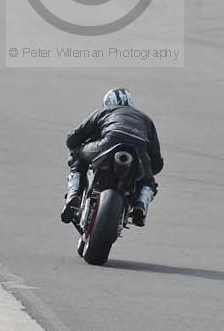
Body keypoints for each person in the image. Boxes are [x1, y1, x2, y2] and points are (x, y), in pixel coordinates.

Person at [60, 88, 163, 227]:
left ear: (107, 102)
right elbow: (156, 162)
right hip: (139, 151)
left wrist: (82, 141)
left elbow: (73, 139)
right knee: (148, 182)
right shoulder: (146, 119)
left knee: (77, 153)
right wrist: (146, 171)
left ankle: (74, 195)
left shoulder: (104, 111)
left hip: (108, 144)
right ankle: (140, 206)